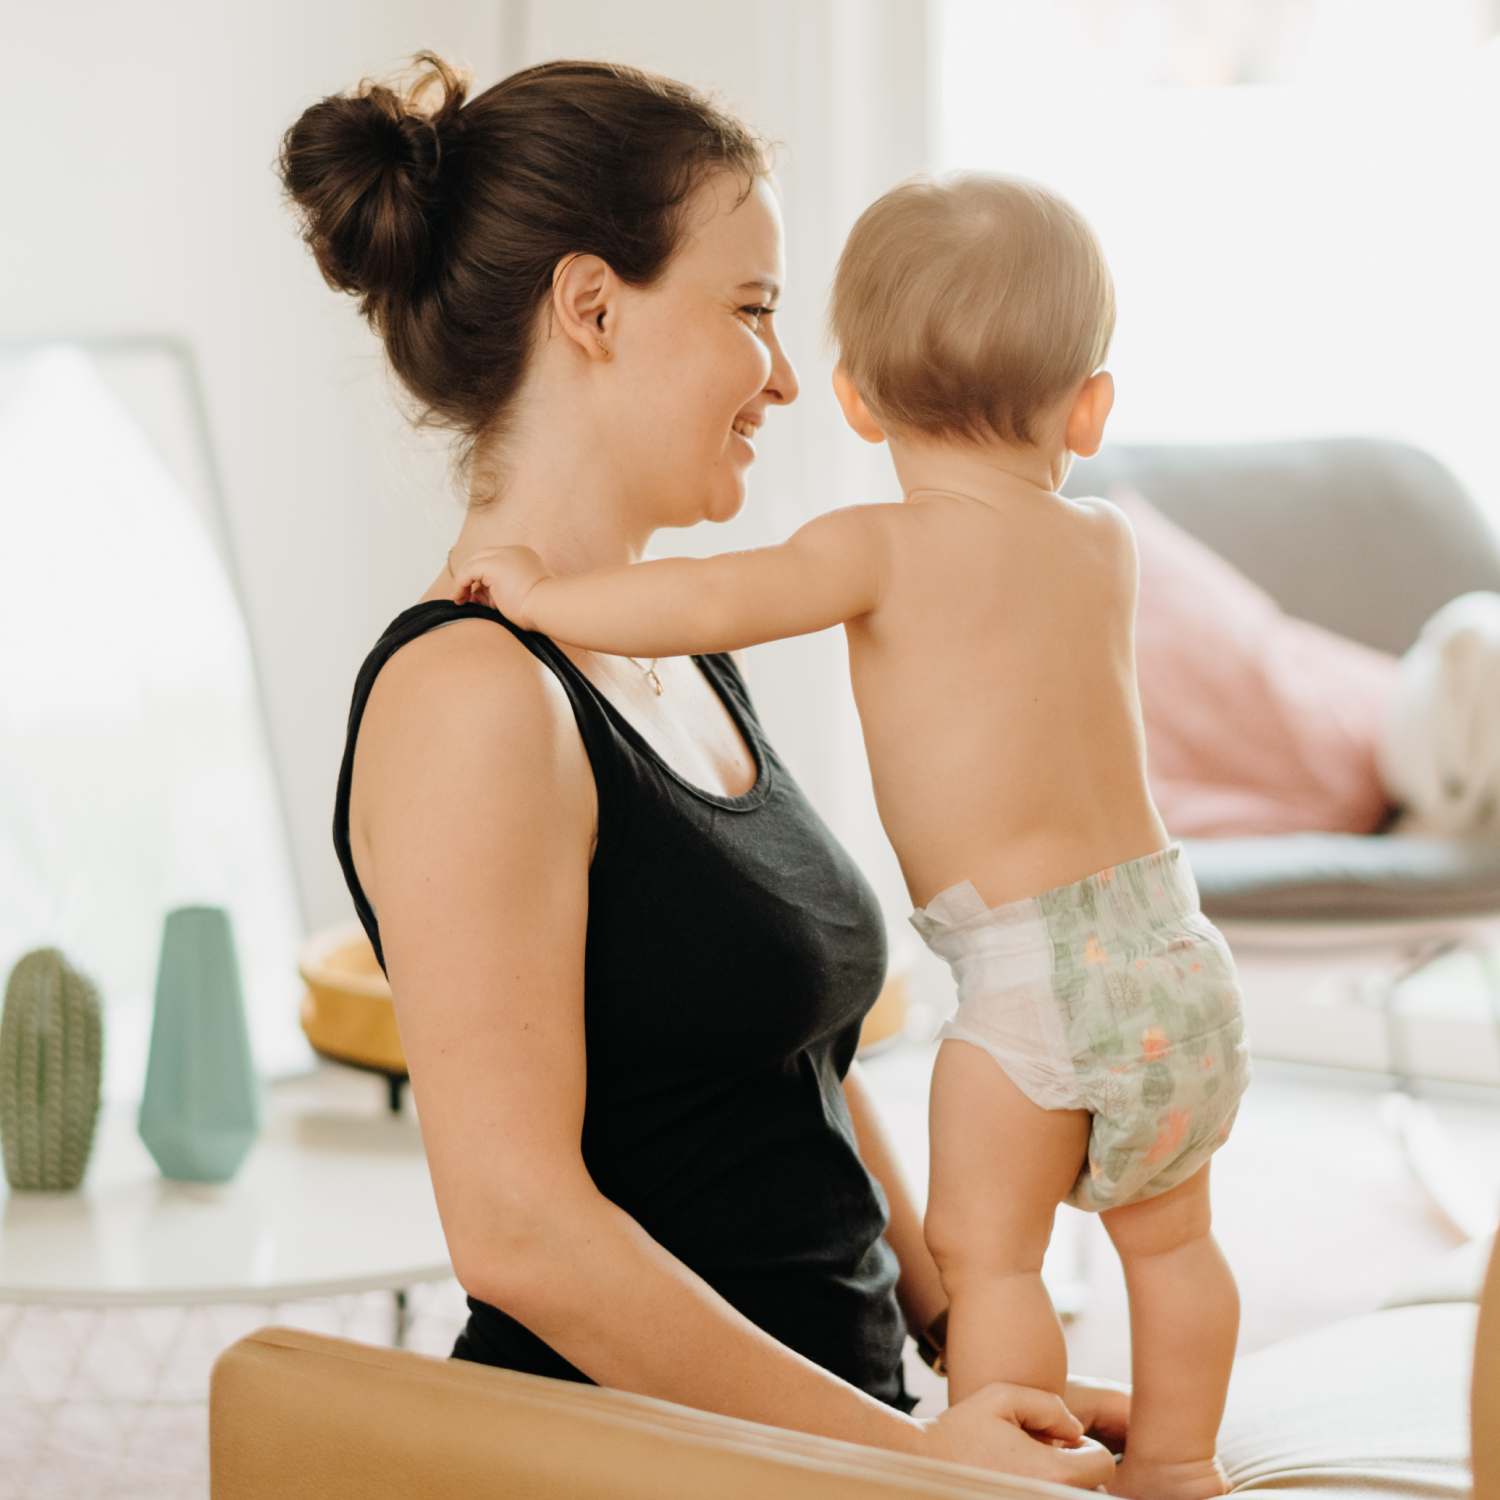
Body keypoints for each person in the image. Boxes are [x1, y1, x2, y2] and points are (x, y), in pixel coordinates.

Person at [279, 56, 1124, 1483]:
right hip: (637, 1462)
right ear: (593, 307)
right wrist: (913, 1467)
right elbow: (522, 1232)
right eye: (752, 313)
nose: (790, 378)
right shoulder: (471, 694)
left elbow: (789, 1059)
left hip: (830, 1447)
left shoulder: (678, 657)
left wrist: (966, 1343)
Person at [452, 172, 1250, 1500]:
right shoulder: (1102, 541)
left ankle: (1004, 1466)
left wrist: (544, 594)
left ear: (859, 400)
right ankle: (1180, 1463)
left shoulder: (877, 546)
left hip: (1033, 976)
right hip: (1173, 952)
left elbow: (713, 595)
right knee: (1173, 1251)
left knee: (996, 1263)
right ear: (1090, 406)